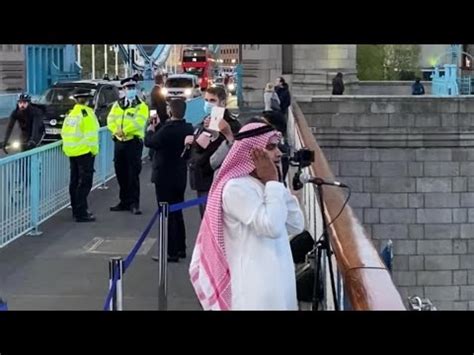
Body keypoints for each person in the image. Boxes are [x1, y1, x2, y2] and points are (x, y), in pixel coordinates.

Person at [189, 122, 305, 310]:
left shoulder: (267, 184)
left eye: (277, 146)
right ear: (251, 153)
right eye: (270, 147)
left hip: (280, 280)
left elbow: (296, 224)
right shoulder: (236, 188)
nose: (278, 153)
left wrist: (277, 185)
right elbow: (272, 227)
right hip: (255, 288)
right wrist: (273, 183)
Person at [145, 99, 194, 262]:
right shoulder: (188, 128)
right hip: (179, 174)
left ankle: (170, 251)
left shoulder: (167, 130)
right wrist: (159, 126)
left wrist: (151, 130)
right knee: (177, 212)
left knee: (166, 214)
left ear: (171, 111)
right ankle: (180, 247)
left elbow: (151, 142)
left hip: (164, 175)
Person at [188, 86, 240, 218]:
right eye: (206, 100)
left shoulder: (232, 125)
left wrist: (218, 134)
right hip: (201, 180)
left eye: (212, 100)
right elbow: (199, 149)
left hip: (218, 180)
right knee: (205, 221)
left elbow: (231, 150)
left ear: (222, 102)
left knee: (215, 222)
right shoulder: (204, 123)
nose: (208, 104)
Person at [107, 77, 149, 215]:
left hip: (133, 142)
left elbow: (139, 122)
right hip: (119, 142)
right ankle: (123, 201)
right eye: (127, 88)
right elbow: (110, 119)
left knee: (133, 174)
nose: (130, 90)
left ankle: (134, 203)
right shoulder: (117, 105)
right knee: (121, 172)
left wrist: (124, 131)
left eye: (132, 88)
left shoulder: (141, 106)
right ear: (123, 90)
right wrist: (116, 131)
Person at [60, 89, 100, 223]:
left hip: (72, 152)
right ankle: (81, 213)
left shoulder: (71, 114)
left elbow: (64, 133)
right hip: (84, 152)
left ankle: (75, 210)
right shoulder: (86, 113)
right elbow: (92, 135)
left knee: (74, 181)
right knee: (85, 183)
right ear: (87, 100)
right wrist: (94, 151)